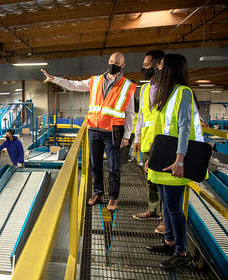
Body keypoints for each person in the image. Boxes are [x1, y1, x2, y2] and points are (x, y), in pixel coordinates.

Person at [41, 52, 136, 210]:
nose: (113, 64)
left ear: (123, 65)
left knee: (113, 166)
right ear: (108, 61)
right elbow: (74, 85)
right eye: (111, 61)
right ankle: (98, 193)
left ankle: (113, 198)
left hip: (113, 131)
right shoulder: (96, 80)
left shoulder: (128, 86)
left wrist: (127, 135)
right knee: (95, 165)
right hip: (94, 129)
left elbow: (130, 113)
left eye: (117, 62)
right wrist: (54, 79)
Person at [145, 54, 204, 269]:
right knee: (167, 206)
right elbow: (159, 129)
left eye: (160, 65)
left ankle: (182, 252)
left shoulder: (183, 93)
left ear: (170, 68)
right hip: (162, 158)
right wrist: (151, 157)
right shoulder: (166, 94)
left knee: (173, 208)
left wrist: (180, 161)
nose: (157, 68)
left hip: (175, 161)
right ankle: (169, 241)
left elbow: (184, 128)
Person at [132, 50, 166, 235]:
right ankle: (153, 210)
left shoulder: (170, 87)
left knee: (164, 182)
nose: (144, 68)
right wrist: (137, 138)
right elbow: (141, 117)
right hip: (147, 141)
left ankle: (165, 219)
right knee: (151, 179)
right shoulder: (145, 89)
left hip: (164, 142)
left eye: (147, 65)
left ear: (158, 65)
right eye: (143, 65)